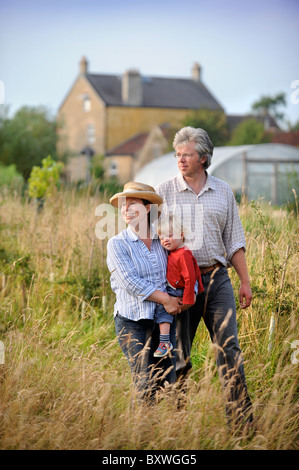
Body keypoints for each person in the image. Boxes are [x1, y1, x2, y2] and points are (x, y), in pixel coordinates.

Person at [155, 126, 253, 425]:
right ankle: (177, 423)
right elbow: (147, 239)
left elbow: (234, 240)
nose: (181, 160)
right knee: (180, 357)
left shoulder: (222, 191)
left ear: (204, 158)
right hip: (180, 285)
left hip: (217, 279)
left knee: (230, 349)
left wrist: (245, 282)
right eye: (178, 154)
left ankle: (241, 425)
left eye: (187, 155)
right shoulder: (163, 191)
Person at [106, 182, 181, 402]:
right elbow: (129, 282)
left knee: (167, 378)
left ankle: (167, 431)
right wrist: (166, 299)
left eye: (132, 204)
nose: (125, 209)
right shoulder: (117, 244)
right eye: (123, 205)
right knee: (144, 380)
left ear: (148, 208)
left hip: (162, 321)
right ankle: (142, 432)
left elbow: (178, 270)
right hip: (131, 320)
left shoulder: (162, 242)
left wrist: (185, 297)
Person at [153, 213, 204, 358]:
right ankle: (165, 341)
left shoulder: (183, 254)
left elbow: (190, 277)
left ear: (181, 235)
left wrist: (188, 299)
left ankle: (164, 342)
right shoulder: (174, 251)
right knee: (164, 311)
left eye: (169, 235)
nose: (165, 240)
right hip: (175, 288)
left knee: (163, 310)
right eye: (162, 237)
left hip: (181, 290)